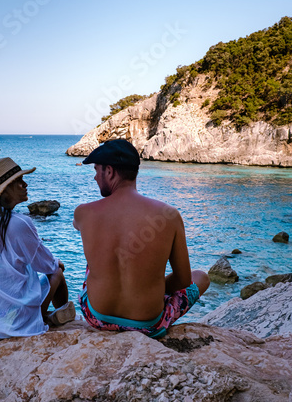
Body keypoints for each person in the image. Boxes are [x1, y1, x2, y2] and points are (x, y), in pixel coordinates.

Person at [73, 139, 210, 339]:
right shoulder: (169, 215)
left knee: (93, 259)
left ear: (109, 171)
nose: (95, 177)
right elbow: (183, 280)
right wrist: (147, 286)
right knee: (201, 277)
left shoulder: (83, 213)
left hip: (97, 318)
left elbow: (82, 229)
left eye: (96, 170)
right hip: (149, 325)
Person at [0, 157, 75, 339]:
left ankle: (52, 315)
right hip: (15, 324)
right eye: (18, 181)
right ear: (4, 190)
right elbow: (48, 265)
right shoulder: (19, 223)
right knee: (57, 271)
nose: (25, 184)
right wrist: (58, 263)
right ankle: (64, 316)